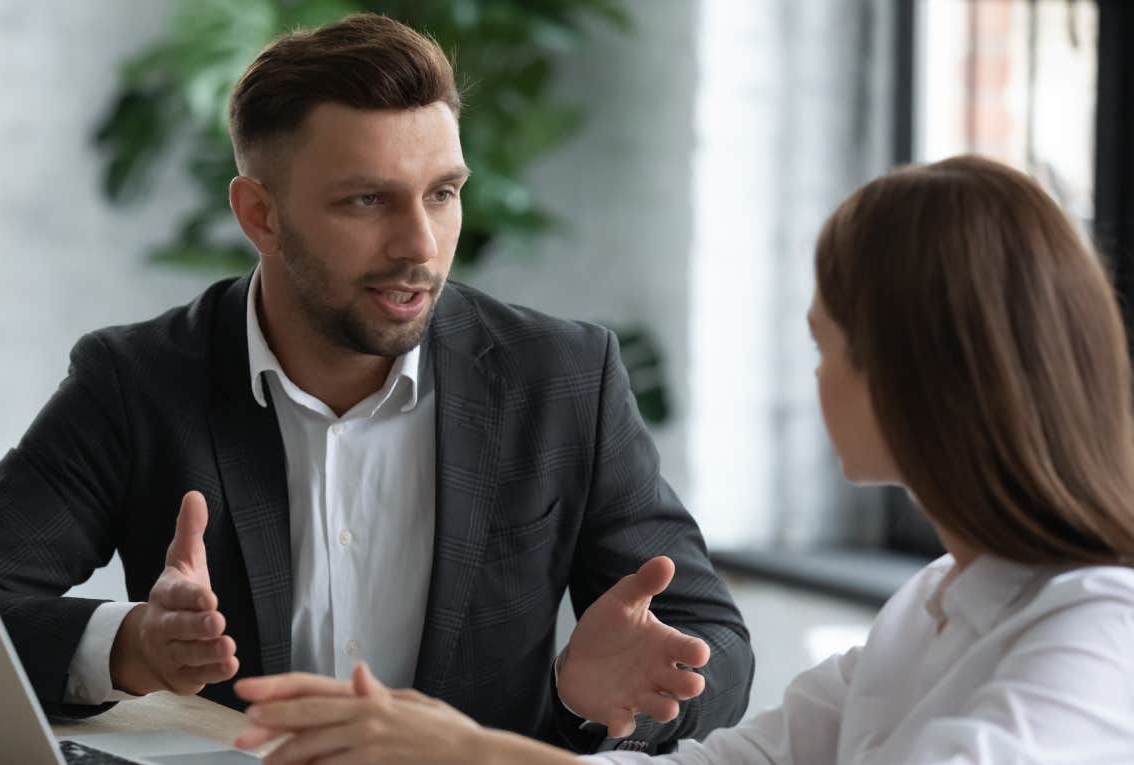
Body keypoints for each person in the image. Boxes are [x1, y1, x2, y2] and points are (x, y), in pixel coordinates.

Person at [0, 12, 754, 756]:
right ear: (259, 213)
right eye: (367, 200)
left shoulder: (562, 381)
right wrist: (130, 645)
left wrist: (605, 699)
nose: (420, 247)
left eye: (442, 192)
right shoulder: (139, 383)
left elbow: (714, 642)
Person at [231, 155, 1134, 765]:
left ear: (911, 371)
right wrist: (459, 743)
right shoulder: (930, 607)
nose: (812, 380)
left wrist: (468, 749)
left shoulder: (1101, 629)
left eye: (825, 349)